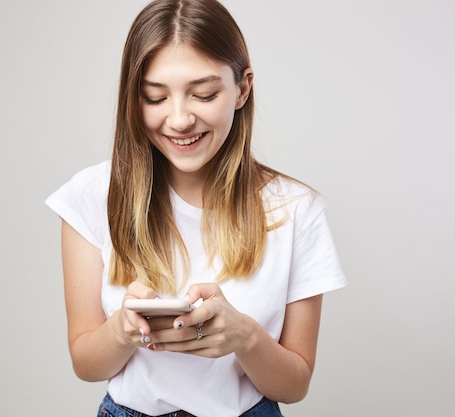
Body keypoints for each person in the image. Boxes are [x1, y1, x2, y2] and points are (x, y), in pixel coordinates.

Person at [45, 0, 347, 416]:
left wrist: (244, 337)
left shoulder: (296, 210)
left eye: (203, 94)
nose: (180, 118)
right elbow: (85, 363)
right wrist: (124, 328)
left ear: (242, 89)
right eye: (155, 98)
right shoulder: (92, 195)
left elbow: (295, 386)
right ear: (133, 100)